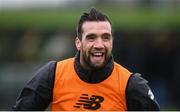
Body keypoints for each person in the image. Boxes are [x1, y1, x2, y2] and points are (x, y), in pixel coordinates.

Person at [12, 8, 160, 111]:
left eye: (105, 38)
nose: (99, 45)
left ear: (112, 42)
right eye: (91, 38)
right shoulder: (54, 73)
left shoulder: (131, 84)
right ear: (78, 43)